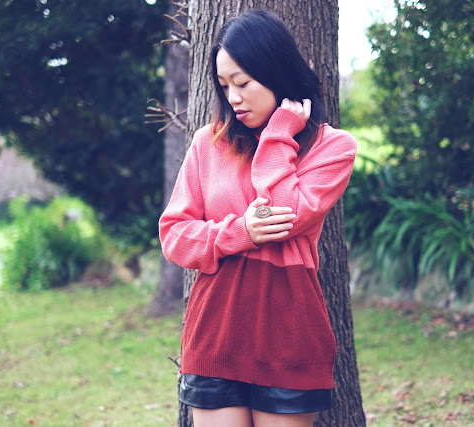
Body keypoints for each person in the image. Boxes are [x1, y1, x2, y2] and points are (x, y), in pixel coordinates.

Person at [159, 9, 357, 427]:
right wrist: (239, 232)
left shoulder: (332, 147)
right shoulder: (208, 143)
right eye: (224, 85)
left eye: (243, 82)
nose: (233, 97)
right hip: (216, 330)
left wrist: (279, 134)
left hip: (290, 332)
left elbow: (288, 213)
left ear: (276, 73)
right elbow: (174, 234)